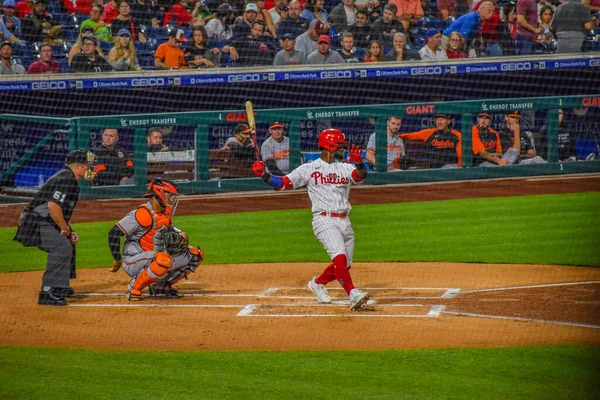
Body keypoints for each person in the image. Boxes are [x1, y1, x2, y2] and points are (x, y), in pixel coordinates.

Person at [252, 129, 371, 311]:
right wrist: (263, 175)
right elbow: (283, 183)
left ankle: (316, 284)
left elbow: (360, 176)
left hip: (344, 221)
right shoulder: (309, 168)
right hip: (324, 220)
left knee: (345, 265)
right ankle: (352, 293)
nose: (343, 148)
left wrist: (359, 162)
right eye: (340, 145)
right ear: (330, 146)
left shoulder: (345, 167)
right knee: (339, 257)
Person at [14, 149, 96, 306]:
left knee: (68, 242)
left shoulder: (69, 178)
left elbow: (57, 212)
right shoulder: (65, 179)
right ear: (78, 166)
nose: (89, 169)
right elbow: (53, 206)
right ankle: (47, 291)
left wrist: (69, 231)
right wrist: (65, 230)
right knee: (61, 246)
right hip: (34, 222)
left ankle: (60, 287)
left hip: (43, 220)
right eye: (87, 165)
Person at [108, 178, 204, 301]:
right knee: (162, 259)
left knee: (194, 255)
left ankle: (160, 287)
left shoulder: (165, 214)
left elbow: (168, 231)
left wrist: (180, 235)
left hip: (156, 258)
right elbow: (113, 233)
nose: (172, 199)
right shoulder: (142, 213)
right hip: (133, 260)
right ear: (159, 193)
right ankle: (134, 288)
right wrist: (117, 260)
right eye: (169, 195)